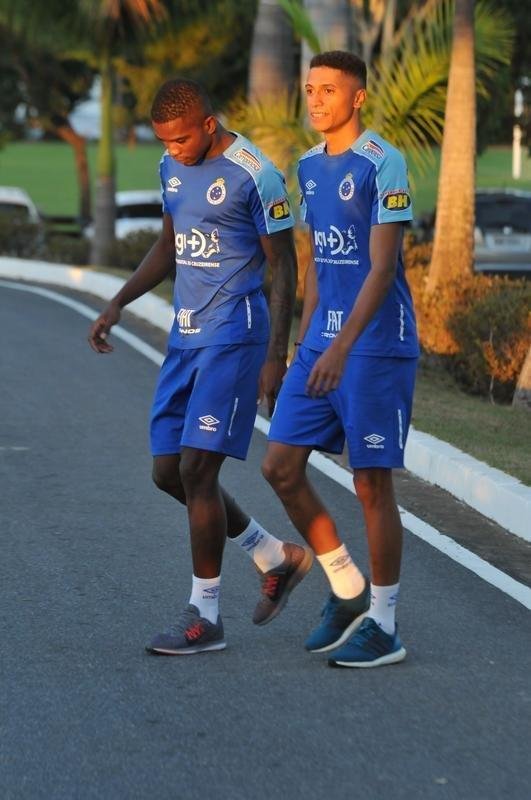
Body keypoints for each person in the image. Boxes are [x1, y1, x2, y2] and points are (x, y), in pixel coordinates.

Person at [88, 78, 312, 655]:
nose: (175, 149)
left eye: (182, 138)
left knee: (196, 471)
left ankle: (205, 615)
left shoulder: (254, 174)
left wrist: (275, 355)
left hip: (235, 340)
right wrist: (118, 301)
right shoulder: (170, 166)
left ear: (208, 124)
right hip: (185, 339)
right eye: (165, 141)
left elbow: (283, 267)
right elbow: (169, 246)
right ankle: (273, 555)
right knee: (168, 472)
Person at [262, 51, 419, 668]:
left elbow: (381, 268)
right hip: (322, 345)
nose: (316, 99)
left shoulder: (385, 163)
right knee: (279, 465)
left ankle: (385, 622)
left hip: (376, 347)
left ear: (357, 98)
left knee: (369, 482)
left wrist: (343, 348)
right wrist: (302, 348)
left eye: (329, 90)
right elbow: (319, 266)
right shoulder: (306, 166)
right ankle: (346, 585)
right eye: (309, 89)